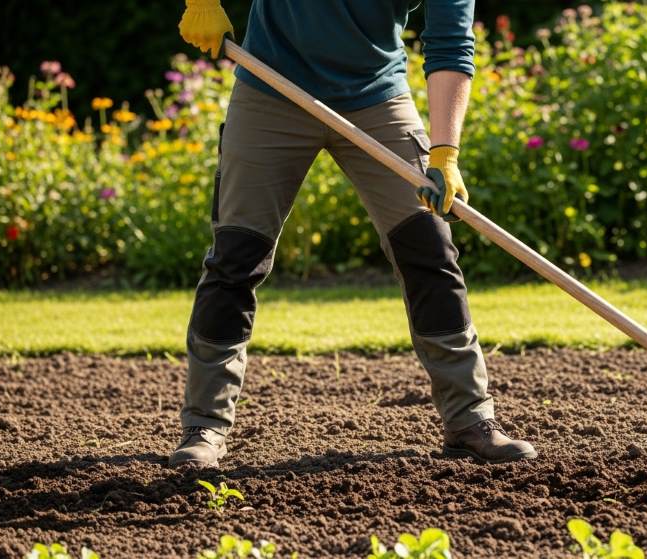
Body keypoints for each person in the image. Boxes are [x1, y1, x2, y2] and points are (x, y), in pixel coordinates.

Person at [169, 0, 537, 467]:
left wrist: (445, 152)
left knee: (429, 248)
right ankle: (205, 425)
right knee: (237, 256)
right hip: (270, 90)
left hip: (377, 98)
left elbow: (450, 43)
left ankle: (469, 419)